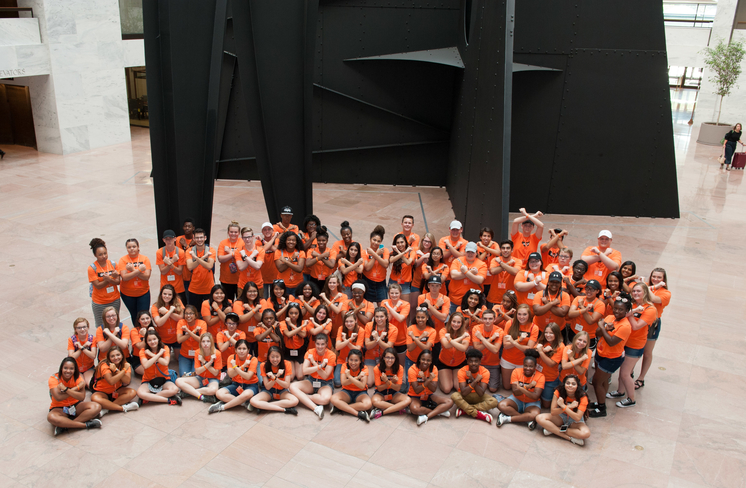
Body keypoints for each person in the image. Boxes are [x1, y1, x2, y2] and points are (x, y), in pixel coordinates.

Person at [607, 282, 657, 409]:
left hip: (635, 345)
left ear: (645, 292)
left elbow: (635, 326)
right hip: (624, 341)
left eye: (639, 291)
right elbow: (619, 315)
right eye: (634, 291)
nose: (635, 293)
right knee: (622, 370)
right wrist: (632, 311)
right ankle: (620, 391)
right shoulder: (632, 304)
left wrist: (629, 313)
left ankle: (631, 399)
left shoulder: (650, 309)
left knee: (625, 373)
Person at [588, 294, 633, 418]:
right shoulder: (610, 317)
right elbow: (597, 333)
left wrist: (604, 328)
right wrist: (604, 329)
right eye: (615, 308)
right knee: (603, 382)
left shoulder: (625, 326)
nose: (617, 311)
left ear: (627, 311)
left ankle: (601, 408)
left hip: (612, 358)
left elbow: (611, 342)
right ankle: (600, 401)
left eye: (621, 309)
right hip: (601, 352)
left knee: (596, 382)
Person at [47, 358, 102, 436]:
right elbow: (58, 397)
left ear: (75, 369)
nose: (68, 371)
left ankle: (65, 426)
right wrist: (76, 388)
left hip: (76, 405)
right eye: (65, 368)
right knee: (51, 417)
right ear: (61, 368)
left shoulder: (78, 378)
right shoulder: (54, 378)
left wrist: (65, 389)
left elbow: (81, 397)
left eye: (71, 369)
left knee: (96, 407)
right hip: (59, 408)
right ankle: (85, 425)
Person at [636, 268, 671, 388]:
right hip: (638, 319)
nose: (655, 279)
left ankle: (641, 378)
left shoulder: (666, 293)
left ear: (664, 279)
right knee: (634, 348)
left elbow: (654, 299)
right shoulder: (647, 285)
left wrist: (645, 286)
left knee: (647, 352)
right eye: (654, 276)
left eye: (659, 277)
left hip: (653, 323)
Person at [289, 333, 335, 419]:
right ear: (315, 343)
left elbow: (325, 376)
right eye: (318, 344)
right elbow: (304, 371)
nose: (320, 347)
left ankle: (301, 397)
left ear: (326, 344)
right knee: (292, 386)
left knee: (326, 400)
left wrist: (313, 363)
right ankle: (316, 408)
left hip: (326, 383)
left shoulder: (331, 355)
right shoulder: (310, 352)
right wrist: (320, 366)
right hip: (311, 380)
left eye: (322, 344)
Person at [536, 374, 590, 446]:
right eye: (568, 383)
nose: (570, 385)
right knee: (539, 418)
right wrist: (569, 406)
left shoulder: (582, 397)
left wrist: (563, 406)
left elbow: (577, 417)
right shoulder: (558, 391)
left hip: (575, 421)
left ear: (577, 386)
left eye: (573, 384)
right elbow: (553, 412)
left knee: (586, 433)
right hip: (561, 416)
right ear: (564, 384)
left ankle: (553, 429)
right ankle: (568, 438)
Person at [496, 349, 544, 429]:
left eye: (531, 366)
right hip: (517, 399)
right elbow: (515, 392)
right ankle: (526, 419)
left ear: (535, 367)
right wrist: (528, 386)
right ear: (523, 365)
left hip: (532, 402)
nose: (528, 368)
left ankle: (507, 418)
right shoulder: (516, 371)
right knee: (501, 405)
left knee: (535, 415)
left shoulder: (541, 376)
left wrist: (520, 388)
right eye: (526, 366)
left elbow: (535, 396)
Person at [210, 339, 259, 413]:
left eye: (244, 349)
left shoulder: (253, 359)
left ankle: (222, 407)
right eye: (239, 348)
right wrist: (243, 366)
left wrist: (235, 367)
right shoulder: (231, 358)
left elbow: (248, 376)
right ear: (235, 350)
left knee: (246, 394)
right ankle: (244, 403)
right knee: (219, 393)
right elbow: (231, 374)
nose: (241, 351)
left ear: (248, 350)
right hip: (236, 384)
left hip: (251, 385)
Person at [451, 348, 498, 423]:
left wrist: (472, 379)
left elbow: (481, 393)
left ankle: (465, 410)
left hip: (478, 396)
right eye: (471, 361)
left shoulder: (485, 372)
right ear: (467, 361)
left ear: (480, 361)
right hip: (466, 396)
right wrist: (475, 380)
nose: (473, 363)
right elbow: (464, 393)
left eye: (476, 361)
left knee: (494, 402)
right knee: (454, 396)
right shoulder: (462, 371)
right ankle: (477, 413)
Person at [90, 346, 139, 416]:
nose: (116, 358)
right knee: (94, 398)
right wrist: (123, 370)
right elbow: (111, 381)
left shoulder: (125, 364)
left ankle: (106, 409)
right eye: (112, 356)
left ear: (122, 355)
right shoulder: (104, 365)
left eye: (118, 355)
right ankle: (123, 408)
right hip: (102, 391)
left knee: (132, 392)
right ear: (109, 358)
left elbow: (127, 381)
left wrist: (117, 370)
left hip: (116, 390)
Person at [408, 350, 453, 426]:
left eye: (428, 360)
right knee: (414, 409)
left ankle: (427, 416)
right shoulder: (412, 369)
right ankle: (439, 411)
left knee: (449, 402)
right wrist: (428, 380)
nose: (425, 362)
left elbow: (433, 389)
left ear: (431, 361)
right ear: (419, 359)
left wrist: (425, 379)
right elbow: (417, 390)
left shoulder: (434, 369)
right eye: (423, 359)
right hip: (415, 396)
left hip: (428, 395)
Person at [249, 346, 299, 415]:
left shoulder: (287, 364)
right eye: (272, 357)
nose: (275, 359)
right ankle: (284, 409)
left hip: (282, 391)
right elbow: (267, 387)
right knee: (253, 401)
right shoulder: (263, 365)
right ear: (268, 357)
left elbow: (286, 385)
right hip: (268, 391)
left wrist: (275, 377)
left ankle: (264, 406)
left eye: (277, 357)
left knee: (295, 401)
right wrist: (276, 376)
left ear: (281, 357)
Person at [136, 330, 181, 406]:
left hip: (164, 379)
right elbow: (146, 365)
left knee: (174, 390)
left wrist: (152, 355)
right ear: (146, 342)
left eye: (154, 339)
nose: (152, 342)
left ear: (158, 339)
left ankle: (149, 398)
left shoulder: (165, 348)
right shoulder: (143, 351)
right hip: (148, 380)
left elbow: (165, 362)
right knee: (140, 393)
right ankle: (168, 400)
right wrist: (158, 355)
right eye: (149, 340)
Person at [500, 304, 539, 390]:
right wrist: (519, 340)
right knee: (507, 387)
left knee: (517, 388)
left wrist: (513, 342)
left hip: (523, 362)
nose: (521, 317)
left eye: (524, 314)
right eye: (519, 314)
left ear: (529, 315)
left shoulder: (534, 328)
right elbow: (506, 345)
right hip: (507, 359)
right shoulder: (509, 323)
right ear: (516, 314)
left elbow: (529, 348)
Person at [175, 332, 222, 404]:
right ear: (200, 343)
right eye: (203, 341)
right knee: (178, 381)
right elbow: (198, 371)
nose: (205, 344)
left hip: (213, 379)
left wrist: (204, 361)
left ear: (211, 343)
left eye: (208, 341)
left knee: (213, 390)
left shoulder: (217, 353)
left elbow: (215, 373)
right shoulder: (198, 352)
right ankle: (200, 395)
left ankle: (188, 392)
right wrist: (209, 362)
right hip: (200, 378)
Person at [330, 349, 372, 422]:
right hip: (346, 391)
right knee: (333, 398)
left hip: (361, 392)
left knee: (368, 404)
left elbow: (362, 386)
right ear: (348, 359)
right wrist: (357, 378)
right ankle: (358, 414)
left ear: (360, 361)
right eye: (351, 360)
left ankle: (340, 407)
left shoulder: (364, 368)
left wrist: (349, 376)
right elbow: (343, 383)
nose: (353, 363)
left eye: (356, 360)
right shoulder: (344, 366)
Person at [116, 238, 152, 323]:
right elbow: (125, 277)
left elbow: (146, 276)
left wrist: (132, 270)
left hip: (143, 293)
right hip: (128, 294)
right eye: (129, 247)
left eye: (134, 246)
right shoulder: (123, 260)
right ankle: (137, 330)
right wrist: (139, 270)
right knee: (134, 315)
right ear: (126, 249)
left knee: (144, 315)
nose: (132, 249)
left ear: (138, 247)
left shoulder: (145, 259)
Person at [88, 238, 121, 328]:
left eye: (105, 253)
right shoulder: (92, 268)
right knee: (101, 326)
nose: (104, 256)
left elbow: (118, 282)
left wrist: (109, 279)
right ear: (95, 255)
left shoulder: (113, 264)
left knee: (114, 324)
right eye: (100, 254)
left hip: (114, 300)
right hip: (99, 302)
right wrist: (108, 279)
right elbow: (97, 286)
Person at [370, 347, 411, 419]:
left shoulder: (400, 368)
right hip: (381, 393)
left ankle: (382, 412)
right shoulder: (377, 368)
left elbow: (398, 388)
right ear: (383, 358)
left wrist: (386, 381)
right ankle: (399, 408)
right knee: (374, 401)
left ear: (395, 359)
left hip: (394, 393)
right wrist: (391, 382)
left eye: (392, 358)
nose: (390, 360)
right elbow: (379, 388)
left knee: (408, 400)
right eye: (387, 357)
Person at [448, 242, 487, 314]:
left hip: (473, 303)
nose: (470, 254)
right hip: (455, 300)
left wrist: (465, 272)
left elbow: (479, 280)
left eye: (472, 252)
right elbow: (453, 275)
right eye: (468, 252)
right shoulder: (457, 260)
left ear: (476, 253)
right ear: (465, 252)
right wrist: (471, 273)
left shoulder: (482, 264)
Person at [471, 308, 504, 394]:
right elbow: (477, 349)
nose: (487, 321)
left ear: (494, 319)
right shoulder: (476, 328)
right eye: (485, 318)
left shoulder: (499, 331)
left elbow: (495, 350)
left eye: (490, 319)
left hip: (493, 364)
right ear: (482, 319)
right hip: (479, 363)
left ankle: (485, 379)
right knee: (475, 386)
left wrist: (481, 338)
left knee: (493, 389)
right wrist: (492, 338)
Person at [438, 312, 471, 394]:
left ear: (462, 324)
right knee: (447, 389)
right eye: (454, 321)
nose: (456, 324)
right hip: (444, 362)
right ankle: (443, 378)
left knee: (459, 388)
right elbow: (446, 345)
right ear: (450, 321)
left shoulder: (465, 333)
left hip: (460, 363)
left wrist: (450, 340)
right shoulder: (443, 331)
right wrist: (462, 338)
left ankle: (451, 377)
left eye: (458, 322)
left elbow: (463, 348)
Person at [566, 279, 605, 349]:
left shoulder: (600, 304)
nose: (589, 291)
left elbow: (590, 321)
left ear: (597, 291)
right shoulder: (578, 298)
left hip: (588, 336)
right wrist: (585, 309)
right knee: (570, 352)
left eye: (592, 289)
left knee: (586, 355)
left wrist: (581, 306)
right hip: (574, 332)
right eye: (587, 288)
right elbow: (570, 314)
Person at [363, 306, 397, 386]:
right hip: (370, 357)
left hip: (386, 359)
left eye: (381, 316)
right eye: (377, 317)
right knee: (369, 383)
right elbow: (367, 346)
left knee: (383, 381)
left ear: (386, 317)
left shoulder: (393, 329)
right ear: (374, 317)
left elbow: (388, 347)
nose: (379, 319)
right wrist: (379, 338)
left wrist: (378, 339)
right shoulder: (368, 325)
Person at [532, 271, 570, 341]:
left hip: (558, 330)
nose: (554, 284)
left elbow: (562, 313)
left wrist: (547, 303)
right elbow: (537, 311)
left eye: (557, 282)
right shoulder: (539, 294)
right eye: (552, 282)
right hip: (540, 328)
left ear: (560, 284)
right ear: (548, 282)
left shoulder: (565, 295)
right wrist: (551, 304)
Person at [534, 323, 564, 408]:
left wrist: (541, 351)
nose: (548, 335)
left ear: (556, 334)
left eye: (551, 333)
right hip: (536, 375)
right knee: (534, 397)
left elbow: (551, 363)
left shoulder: (560, 346)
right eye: (546, 332)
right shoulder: (542, 340)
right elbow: (533, 351)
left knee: (546, 405)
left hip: (549, 379)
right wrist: (543, 350)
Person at [335, 311, 366, 388]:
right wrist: (349, 340)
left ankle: (351, 378)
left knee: (361, 381)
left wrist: (345, 340)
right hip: (342, 360)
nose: (349, 324)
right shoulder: (341, 328)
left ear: (356, 321)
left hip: (356, 361)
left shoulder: (360, 330)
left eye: (351, 321)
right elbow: (337, 347)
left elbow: (358, 349)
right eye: (346, 321)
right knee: (337, 382)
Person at [186, 228, 216, 307]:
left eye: (201, 237)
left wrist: (195, 258)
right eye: (197, 238)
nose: (199, 240)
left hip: (209, 288)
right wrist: (204, 257)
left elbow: (209, 266)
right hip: (194, 288)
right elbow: (190, 267)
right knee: (194, 312)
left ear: (205, 238)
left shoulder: (211, 250)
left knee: (209, 311)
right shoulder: (189, 251)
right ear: (194, 238)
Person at [151, 284, 184, 354]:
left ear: (173, 295)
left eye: (169, 294)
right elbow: (159, 323)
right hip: (163, 339)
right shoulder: (155, 306)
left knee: (178, 358)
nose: (167, 296)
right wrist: (169, 312)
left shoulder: (178, 301)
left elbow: (180, 318)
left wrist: (167, 312)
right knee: (166, 358)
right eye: (165, 294)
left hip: (177, 337)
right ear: (161, 294)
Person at [156, 229, 186, 305]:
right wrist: (172, 261)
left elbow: (179, 271)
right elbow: (163, 271)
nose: (169, 241)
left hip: (178, 287)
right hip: (165, 287)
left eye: (171, 238)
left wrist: (169, 263)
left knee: (180, 308)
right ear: (163, 240)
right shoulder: (160, 252)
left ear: (175, 239)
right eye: (166, 239)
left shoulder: (180, 252)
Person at [216, 221, 244, 301]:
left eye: (235, 232)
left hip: (240, 279)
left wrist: (229, 252)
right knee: (227, 302)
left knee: (240, 302)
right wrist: (234, 253)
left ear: (239, 233)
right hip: (226, 279)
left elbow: (244, 257)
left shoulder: (242, 242)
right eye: (231, 232)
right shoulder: (223, 243)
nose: (233, 234)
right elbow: (220, 259)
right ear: (228, 232)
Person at [362, 225, 390, 303]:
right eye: (374, 240)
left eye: (378, 241)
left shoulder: (385, 250)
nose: (376, 243)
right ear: (370, 239)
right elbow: (367, 268)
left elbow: (385, 264)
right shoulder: (364, 252)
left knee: (383, 307)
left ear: (381, 242)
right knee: (368, 307)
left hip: (381, 283)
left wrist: (374, 254)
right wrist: (376, 254)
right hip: (368, 282)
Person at [380, 283, 409, 358]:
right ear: (388, 293)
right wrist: (396, 306)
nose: (394, 295)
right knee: (387, 361)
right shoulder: (384, 302)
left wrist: (389, 307)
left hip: (401, 339)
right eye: (392, 293)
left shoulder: (406, 304)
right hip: (387, 338)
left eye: (396, 293)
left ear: (400, 293)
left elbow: (400, 319)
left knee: (400, 363)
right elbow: (386, 319)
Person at [235, 227, 265, 300]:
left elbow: (257, 266)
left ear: (253, 236)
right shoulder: (239, 251)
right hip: (243, 285)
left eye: (249, 237)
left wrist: (245, 256)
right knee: (241, 304)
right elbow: (241, 267)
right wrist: (251, 256)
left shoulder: (260, 250)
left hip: (257, 285)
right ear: (242, 238)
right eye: (245, 237)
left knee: (259, 304)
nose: (247, 239)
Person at [234, 281, 263, 355]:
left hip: (259, 336)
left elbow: (261, 318)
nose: (252, 293)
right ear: (245, 292)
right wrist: (255, 310)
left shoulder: (262, 301)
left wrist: (250, 309)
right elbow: (241, 319)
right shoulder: (238, 303)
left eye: (254, 291)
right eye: (250, 291)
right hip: (243, 337)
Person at [280, 303, 307, 380]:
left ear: (299, 314)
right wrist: (300, 327)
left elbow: (303, 335)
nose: (293, 315)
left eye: (296, 313)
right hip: (287, 352)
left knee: (300, 377)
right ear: (287, 314)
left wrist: (291, 325)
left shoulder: (302, 322)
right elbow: (288, 334)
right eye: (291, 313)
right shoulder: (283, 323)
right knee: (291, 377)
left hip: (299, 352)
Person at [67, 318, 97, 388]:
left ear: (88, 327)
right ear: (75, 329)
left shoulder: (92, 338)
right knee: (81, 385)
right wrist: (82, 347)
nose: (82, 329)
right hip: (76, 368)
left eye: (84, 327)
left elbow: (93, 355)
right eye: (79, 328)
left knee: (90, 385)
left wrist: (82, 347)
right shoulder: (72, 339)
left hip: (89, 367)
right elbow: (71, 357)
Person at [176, 305, 205, 376]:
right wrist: (194, 331)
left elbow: (202, 340)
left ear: (195, 315)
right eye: (186, 313)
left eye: (191, 313)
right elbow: (179, 340)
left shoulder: (202, 323)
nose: (188, 316)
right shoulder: (181, 322)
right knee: (184, 375)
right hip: (184, 355)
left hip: (198, 355)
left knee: (194, 375)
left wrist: (188, 331)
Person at [318, 274, 346, 344]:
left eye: (334, 283)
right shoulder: (325, 296)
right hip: (327, 325)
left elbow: (337, 311)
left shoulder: (343, 296)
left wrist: (326, 299)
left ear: (338, 284)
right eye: (330, 283)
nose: (332, 284)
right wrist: (332, 299)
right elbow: (325, 311)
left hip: (339, 325)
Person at [389, 233, 414, 303]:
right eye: (398, 243)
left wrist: (401, 252)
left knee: (405, 305)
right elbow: (391, 260)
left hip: (405, 283)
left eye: (402, 242)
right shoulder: (393, 253)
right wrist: (402, 252)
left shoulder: (411, 252)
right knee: (393, 304)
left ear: (405, 242)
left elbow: (408, 262)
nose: (400, 244)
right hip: (393, 282)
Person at [129, 311, 155, 376]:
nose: (145, 321)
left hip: (152, 357)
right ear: (138, 320)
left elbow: (156, 346)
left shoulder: (154, 329)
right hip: (139, 359)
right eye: (142, 319)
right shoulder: (134, 331)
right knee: (150, 374)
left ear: (150, 319)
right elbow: (140, 347)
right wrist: (146, 336)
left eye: (147, 318)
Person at [476, 227, 499, 298]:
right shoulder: (477, 246)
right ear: (480, 237)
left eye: (489, 236)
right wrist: (488, 247)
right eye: (484, 236)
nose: (486, 238)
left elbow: (498, 253)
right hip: (481, 278)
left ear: (491, 238)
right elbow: (480, 259)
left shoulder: (494, 244)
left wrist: (484, 247)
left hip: (492, 279)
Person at [259, 222, 280, 299]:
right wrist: (273, 238)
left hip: (274, 275)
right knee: (263, 298)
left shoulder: (277, 241)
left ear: (272, 230)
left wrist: (263, 241)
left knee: (273, 299)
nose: (267, 231)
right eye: (265, 230)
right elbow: (263, 249)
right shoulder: (258, 242)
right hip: (262, 275)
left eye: (269, 229)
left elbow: (275, 250)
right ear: (262, 232)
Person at [177, 219, 195, 302]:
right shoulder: (179, 239)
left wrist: (186, 246)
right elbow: (181, 256)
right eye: (185, 226)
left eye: (189, 226)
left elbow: (194, 257)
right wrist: (189, 246)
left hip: (194, 275)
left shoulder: (197, 239)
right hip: (182, 275)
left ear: (193, 228)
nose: (187, 228)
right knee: (184, 299)